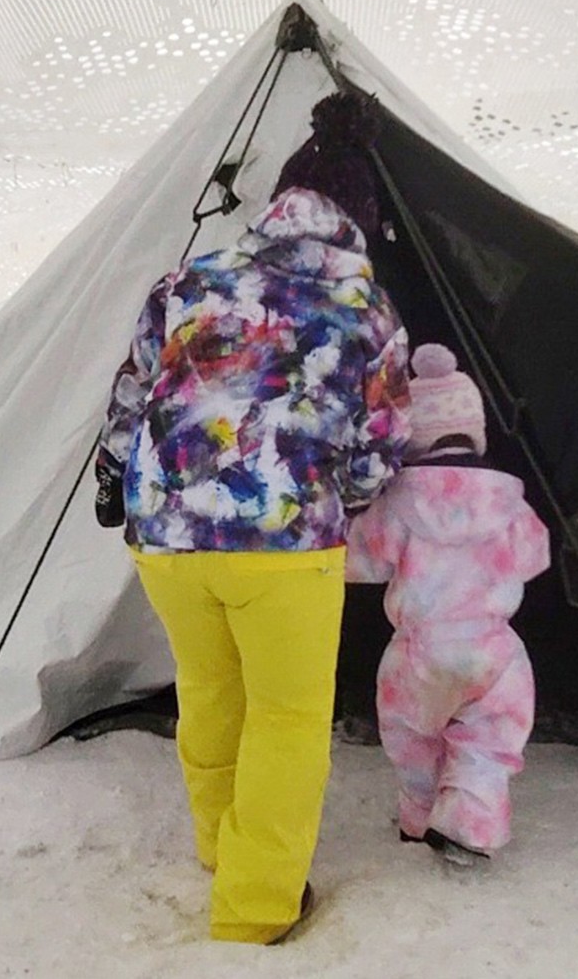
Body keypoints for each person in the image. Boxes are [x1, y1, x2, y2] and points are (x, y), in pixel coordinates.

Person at [95, 90, 411, 944]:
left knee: (210, 691)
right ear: (360, 218)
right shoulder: (365, 311)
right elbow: (383, 445)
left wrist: (119, 475)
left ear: (278, 204)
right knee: (287, 718)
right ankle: (257, 905)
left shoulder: (191, 280)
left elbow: (133, 395)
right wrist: (332, 502)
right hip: (284, 545)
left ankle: (217, 845)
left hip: (163, 533)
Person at [346, 343, 549, 866]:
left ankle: (418, 815)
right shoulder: (510, 501)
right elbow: (534, 555)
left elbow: (362, 560)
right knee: (488, 740)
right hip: (493, 651)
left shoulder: (398, 500)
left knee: (413, 740)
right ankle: (469, 822)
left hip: (417, 653)